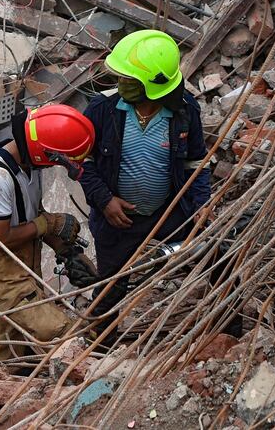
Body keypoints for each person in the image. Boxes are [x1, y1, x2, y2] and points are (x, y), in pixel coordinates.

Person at [79, 29, 222, 340]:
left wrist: (201, 204)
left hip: (170, 214)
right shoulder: (101, 110)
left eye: (130, 79)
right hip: (117, 220)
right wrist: (105, 200)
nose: (121, 84)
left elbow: (195, 163)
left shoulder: (184, 112)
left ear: (152, 85)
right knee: (111, 287)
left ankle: (227, 332)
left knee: (216, 257)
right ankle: (100, 346)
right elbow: (83, 164)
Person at [0, 103, 98, 361]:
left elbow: (33, 216)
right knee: (62, 333)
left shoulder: (29, 167)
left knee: (13, 343)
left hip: (26, 265)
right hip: (2, 275)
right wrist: (48, 224)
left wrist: (65, 250)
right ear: (44, 152)